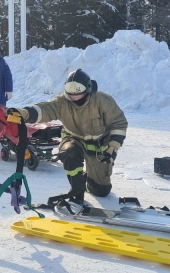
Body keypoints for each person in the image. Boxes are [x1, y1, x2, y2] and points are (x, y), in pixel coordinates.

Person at [9, 68, 127, 202]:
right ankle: (77, 188)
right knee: (69, 154)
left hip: (99, 146)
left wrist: (113, 147)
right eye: (69, 90)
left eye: (77, 91)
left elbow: (119, 123)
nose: (73, 96)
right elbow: (45, 109)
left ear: (87, 89)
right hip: (74, 139)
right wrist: (24, 113)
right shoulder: (63, 102)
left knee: (101, 191)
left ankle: (90, 180)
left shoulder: (103, 101)